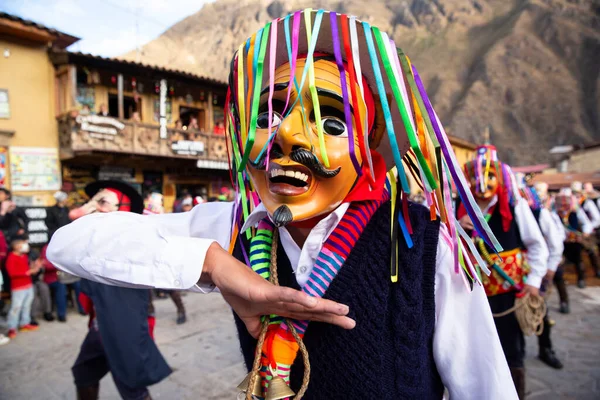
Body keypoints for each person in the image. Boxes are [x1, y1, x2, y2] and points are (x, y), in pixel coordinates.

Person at [48, 10, 516, 399]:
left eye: (331, 120)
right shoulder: (234, 230)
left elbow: (486, 387)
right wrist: (212, 263)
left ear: (371, 148)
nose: (287, 135)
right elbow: (69, 244)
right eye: (268, 113)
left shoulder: (425, 244)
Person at [69, 180, 171, 400]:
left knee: (131, 383)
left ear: (121, 210)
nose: (93, 206)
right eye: (93, 200)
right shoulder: (93, 238)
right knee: (84, 373)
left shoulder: (135, 240)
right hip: (100, 326)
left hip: (124, 325)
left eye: (103, 202)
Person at [460, 145, 548, 398]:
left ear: (499, 176)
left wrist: (533, 281)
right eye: (475, 176)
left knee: (511, 351)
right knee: (477, 349)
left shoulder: (514, 204)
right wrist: (457, 228)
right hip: (472, 294)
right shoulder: (460, 206)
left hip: (508, 294)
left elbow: (536, 244)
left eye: (488, 175)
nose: (481, 182)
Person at [517, 176, 564, 369]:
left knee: (538, 310)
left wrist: (550, 269)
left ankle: (546, 348)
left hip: (535, 269)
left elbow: (555, 243)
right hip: (512, 273)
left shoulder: (539, 213)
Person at [143, 192, 187, 324]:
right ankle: (150, 311)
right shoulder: (146, 211)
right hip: (146, 254)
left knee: (169, 285)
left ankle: (181, 310)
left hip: (162, 255)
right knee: (145, 285)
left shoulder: (161, 214)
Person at [535, 182, 570, 314]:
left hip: (552, 253)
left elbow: (559, 235)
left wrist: (552, 248)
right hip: (539, 256)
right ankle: (541, 313)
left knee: (558, 276)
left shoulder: (550, 214)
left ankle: (564, 301)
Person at [555, 188, 595, 290]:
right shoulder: (554, 212)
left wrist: (585, 232)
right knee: (559, 261)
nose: (564, 203)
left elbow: (586, 222)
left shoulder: (575, 210)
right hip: (560, 241)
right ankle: (562, 281)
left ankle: (581, 279)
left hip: (575, 240)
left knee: (578, 260)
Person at [6, 236, 40, 339]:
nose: (25, 246)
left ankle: (24, 323)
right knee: (16, 308)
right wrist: (27, 272)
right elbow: (12, 273)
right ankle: (12, 328)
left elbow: (26, 269)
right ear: (16, 246)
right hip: (18, 287)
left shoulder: (24, 256)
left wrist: (34, 268)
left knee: (27, 305)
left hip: (28, 285)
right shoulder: (11, 258)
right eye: (22, 244)